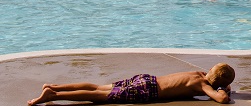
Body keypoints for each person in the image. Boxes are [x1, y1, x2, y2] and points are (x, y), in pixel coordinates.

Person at [27, 63, 235, 105]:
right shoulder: (203, 84)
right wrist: (222, 89)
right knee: (98, 97)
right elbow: (222, 100)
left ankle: (54, 86)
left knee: (97, 87)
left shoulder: (197, 73)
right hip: (147, 90)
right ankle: (53, 96)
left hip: (146, 79)